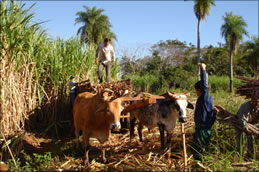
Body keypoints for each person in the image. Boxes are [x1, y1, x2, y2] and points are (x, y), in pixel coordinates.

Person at [192, 63, 216, 161]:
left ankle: (199, 165)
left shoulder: (204, 97)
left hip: (203, 129)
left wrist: (203, 70)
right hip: (203, 128)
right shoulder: (205, 99)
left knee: (199, 150)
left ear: (199, 90)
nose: (196, 92)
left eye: (196, 90)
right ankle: (201, 164)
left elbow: (205, 85)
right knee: (201, 148)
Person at [235, 90, 258, 159]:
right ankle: (239, 156)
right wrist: (246, 129)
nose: (257, 103)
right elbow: (242, 120)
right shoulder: (246, 106)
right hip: (239, 123)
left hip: (250, 123)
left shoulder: (258, 107)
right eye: (256, 101)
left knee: (251, 138)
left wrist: (254, 128)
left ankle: (249, 156)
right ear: (252, 100)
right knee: (240, 137)